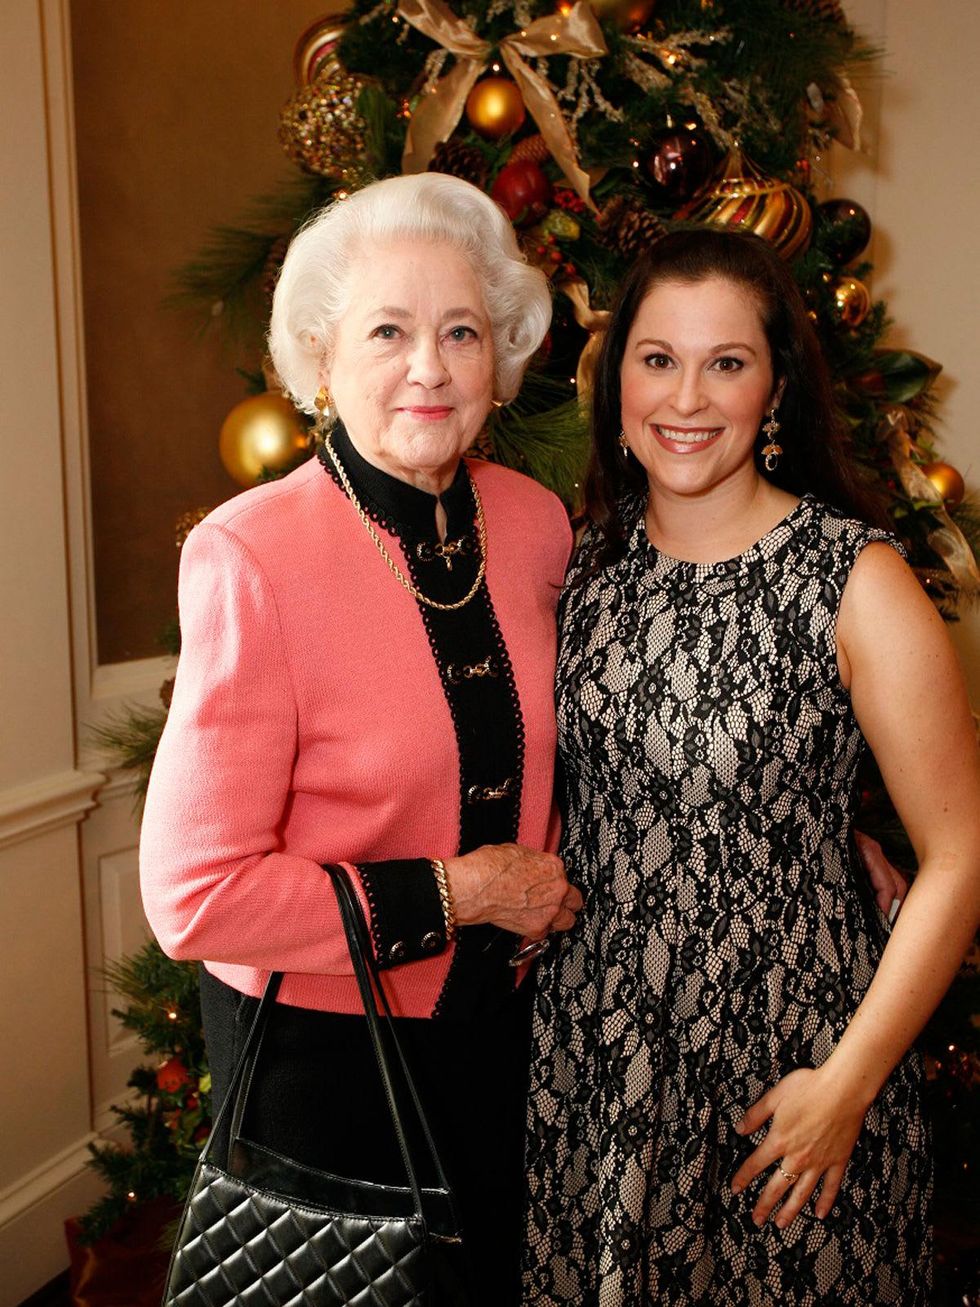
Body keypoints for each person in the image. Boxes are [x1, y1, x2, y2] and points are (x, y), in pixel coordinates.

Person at [138, 171, 583, 1307]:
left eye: (460, 331)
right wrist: (463, 891)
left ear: (500, 358)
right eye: (387, 330)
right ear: (322, 361)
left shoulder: (532, 523)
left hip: (499, 1040)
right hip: (322, 1060)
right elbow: (194, 894)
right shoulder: (252, 552)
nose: (428, 366)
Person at [524, 227, 980, 1305]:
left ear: (774, 385)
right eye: (656, 358)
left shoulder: (855, 577)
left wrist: (847, 1083)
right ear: (615, 380)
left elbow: (959, 855)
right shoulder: (577, 563)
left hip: (794, 1066)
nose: (686, 396)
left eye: (725, 361)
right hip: (595, 1063)